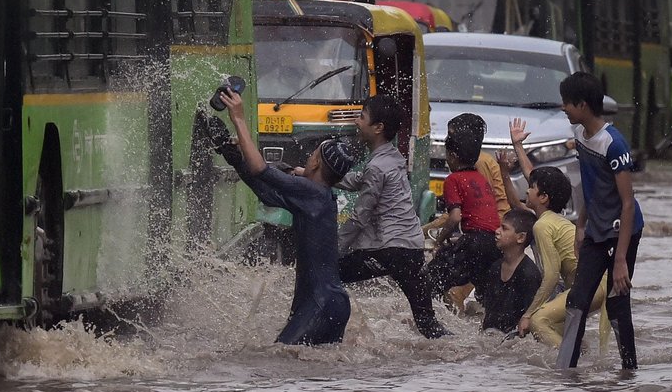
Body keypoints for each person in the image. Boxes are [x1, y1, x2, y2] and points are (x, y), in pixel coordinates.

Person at [215, 87, 354, 346]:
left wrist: (239, 119)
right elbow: (268, 194)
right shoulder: (323, 197)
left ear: (314, 164)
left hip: (319, 304)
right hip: (334, 303)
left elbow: (260, 168)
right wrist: (234, 158)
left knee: (278, 357)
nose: (307, 159)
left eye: (312, 155)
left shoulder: (311, 191)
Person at [337, 95, 448, 339]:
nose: (357, 121)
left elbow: (359, 216)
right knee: (428, 324)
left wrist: (335, 247)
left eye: (362, 117)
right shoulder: (392, 158)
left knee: (330, 273)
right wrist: (315, 175)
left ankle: (325, 341)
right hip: (412, 249)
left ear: (378, 128)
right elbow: (360, 179)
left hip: (392, 250)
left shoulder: (377, 166)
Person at [555, 72, 644, 370]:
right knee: (576, 302)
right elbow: (590, 187)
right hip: (596, 229)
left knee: (617, 304)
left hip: (623, 232)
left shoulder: (614, 144)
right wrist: (581, 225)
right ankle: (565, 372)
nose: (563, 107)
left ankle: (629, 370)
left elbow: (628, 203)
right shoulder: (581, 136)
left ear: (582, 105)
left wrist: (620, 259)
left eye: (567, 102)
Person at [498, 121, 607, 347]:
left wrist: (528, 314)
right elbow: (533, 180)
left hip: (592, 285)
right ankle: (581, 362)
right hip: (595, 283)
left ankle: (567, 369)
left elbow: (550, 276)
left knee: (539, 321)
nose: (527, 189)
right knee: (561, 329)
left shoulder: (543, 225)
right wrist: (518, 146)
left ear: (543, 197)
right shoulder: (548, 218)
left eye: (531, 188)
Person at [423, 113, 501, 304]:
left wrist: (438, 241)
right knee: (486, 297)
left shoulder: (453, 179)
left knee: (427, 282)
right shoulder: (481, 177)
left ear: (453, 156)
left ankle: (425, 323)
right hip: (496, 242)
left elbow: (455, 217)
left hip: (474, 242)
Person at [482, 209, 541, 333]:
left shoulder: (529, 274)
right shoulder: (495, 268)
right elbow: (488, 309)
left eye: (504, 228)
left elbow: (530, 318)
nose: (497, 231)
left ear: (520, 237)